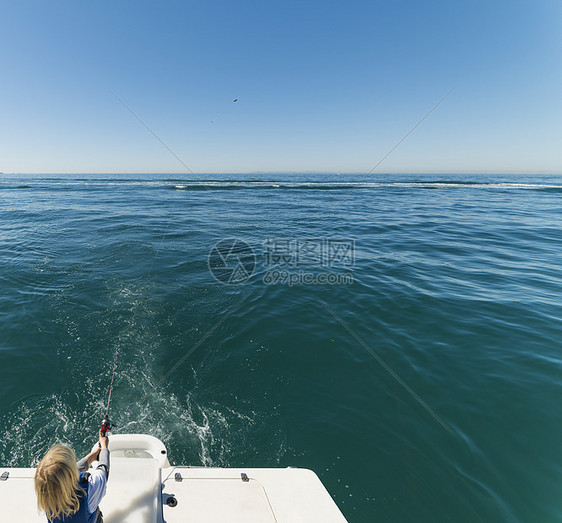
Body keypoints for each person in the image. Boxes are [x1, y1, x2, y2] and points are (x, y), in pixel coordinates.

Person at [35, 430, 110, 522]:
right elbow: (103, 470)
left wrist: (92, 457)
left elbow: (62, 475)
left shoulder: (46, 493)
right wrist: (104, 447)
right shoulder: (89, 491)